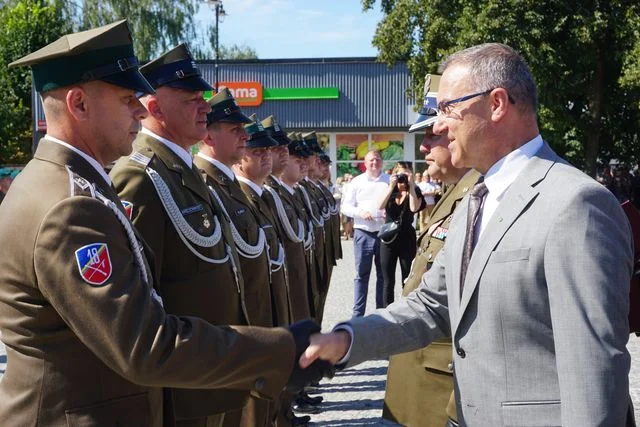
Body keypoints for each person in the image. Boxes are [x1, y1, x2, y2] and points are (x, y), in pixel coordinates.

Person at [0, 21, 320, 427]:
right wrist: (282, 350)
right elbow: (144, 344)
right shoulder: (70, 207)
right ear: (78, 104)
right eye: (126, 98)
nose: (139, 108)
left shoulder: (58, 183)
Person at [301, 43, 635, 426]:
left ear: (496, 104)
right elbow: (429, 305)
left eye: (447, 109)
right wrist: (345, 340)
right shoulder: (478, 198)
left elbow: (593, 371)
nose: (438, 125)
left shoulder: (575, 204)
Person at [383, 74, 480, 427]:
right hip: (422, 371)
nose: (423, 147)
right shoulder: (457, 192)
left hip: (442, 383)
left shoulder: (478, 195)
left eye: (432, 134)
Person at [193, 89, 278, 427]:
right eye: (234, 129)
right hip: (222, 338)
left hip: (248, 327)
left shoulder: (225, 186)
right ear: (208, 134)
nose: (245, 135)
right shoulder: (203, 185)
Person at [340, 150, 389, 316]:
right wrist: (360, 213)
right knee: (361, 274)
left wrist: (388, 213)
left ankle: (381, 313)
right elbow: (345, 207)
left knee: (383, 275)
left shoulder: (389, 181)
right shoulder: (357, 182)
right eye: (371, 160)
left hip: (384, 233)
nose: (374, 163)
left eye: (377, 159)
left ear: (382, 162)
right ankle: (358, 314)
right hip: (363, 232)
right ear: (365, 163)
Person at [377, 161, 425, 307]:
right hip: (388, 238)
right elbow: (379, 206)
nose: (402, 178)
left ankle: (406, 310)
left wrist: (411, 185)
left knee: (407, 277)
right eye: (400, 174)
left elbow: (414, 208)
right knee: (387, 280)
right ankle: (386, 312)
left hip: (406, 237)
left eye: (406, 173)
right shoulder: (389, 189)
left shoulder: (415, 191)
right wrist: (391, 186)